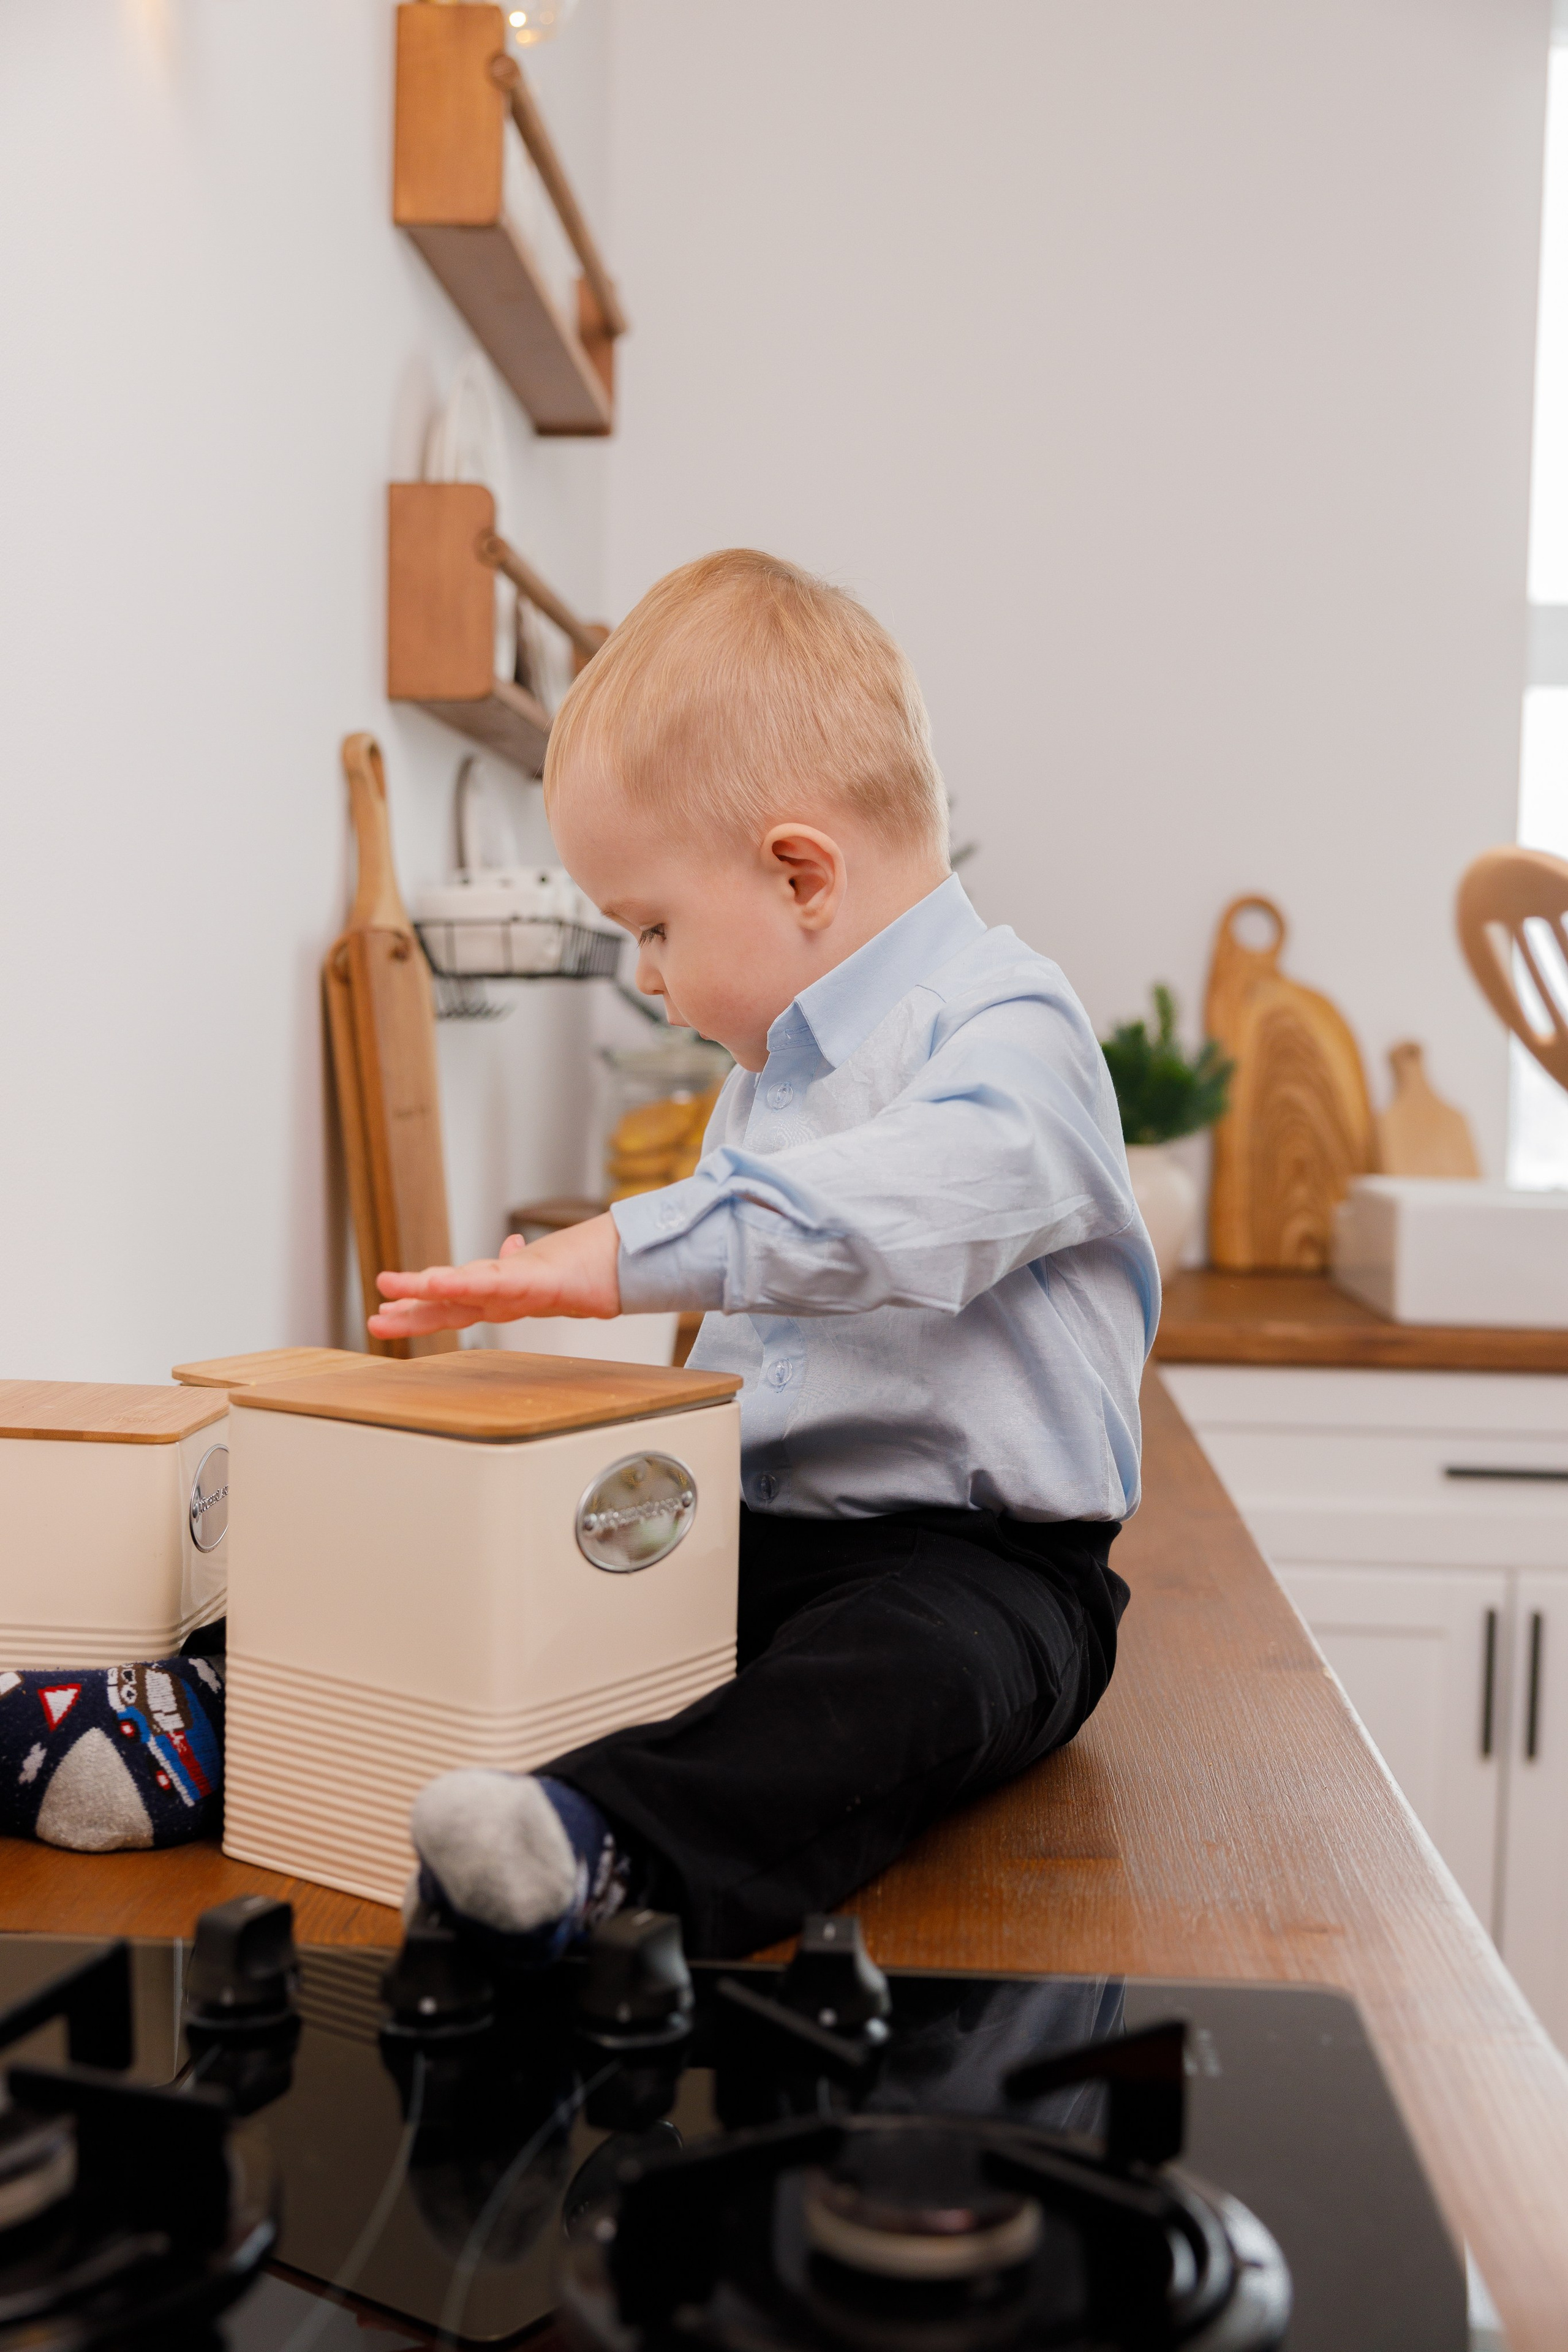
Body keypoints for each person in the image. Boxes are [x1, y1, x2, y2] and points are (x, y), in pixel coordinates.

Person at [371, 548, 1159, 1960]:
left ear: (799, 872)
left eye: (654, 929)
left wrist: (629, 1249)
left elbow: (910, 1205)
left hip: (982, 1570)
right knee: (509, 1580)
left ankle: (600, 1850)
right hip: (758, 1533)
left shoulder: (1010, 1030)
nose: (648, 977)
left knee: (889, 1688)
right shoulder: (769, 1069)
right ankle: (204, 1714)